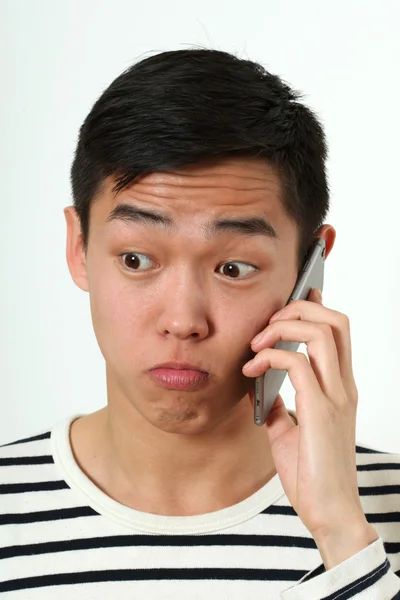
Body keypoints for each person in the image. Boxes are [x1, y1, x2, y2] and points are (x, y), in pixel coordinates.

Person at [1, 48, 399, 600]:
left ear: (310, 273)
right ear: (78, 248)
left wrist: (342, 536)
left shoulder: (381, 513)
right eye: (136, 260)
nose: (183, 321)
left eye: (233, 268)